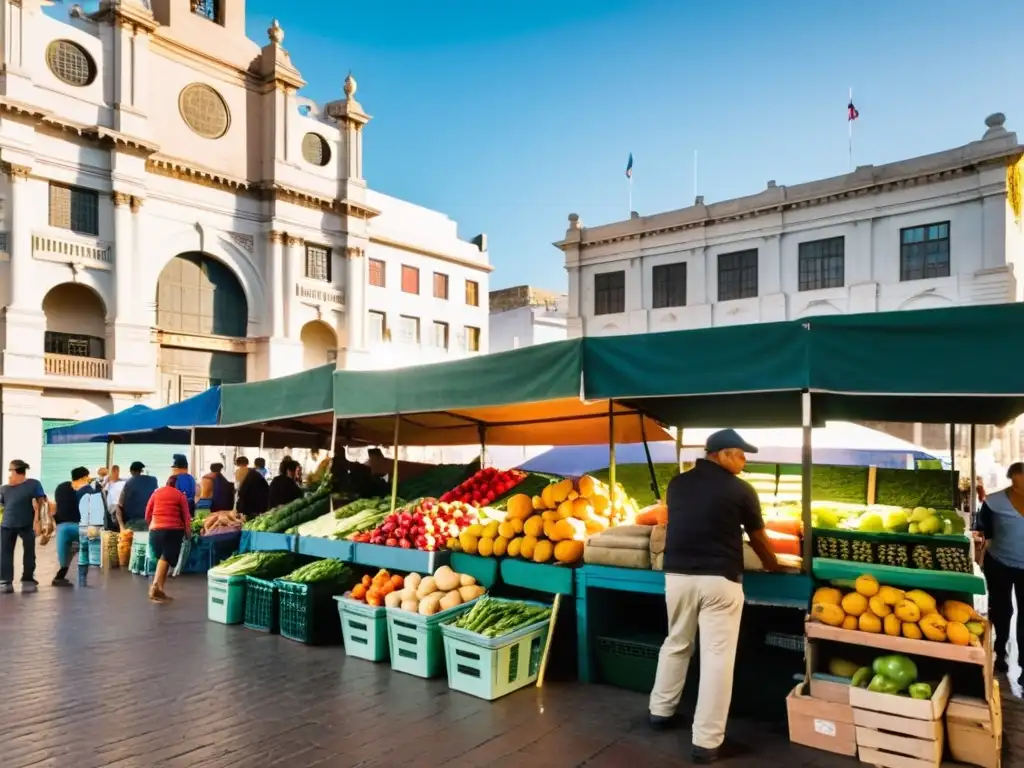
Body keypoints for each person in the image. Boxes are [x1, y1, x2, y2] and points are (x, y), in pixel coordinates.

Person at [648, 429, 781, 764]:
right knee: (717, 659)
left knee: (676, 641)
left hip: (677, 578)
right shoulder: (741, 490)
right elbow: (760, 539)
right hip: (720, 582)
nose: (744, 460)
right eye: (739, 454)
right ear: (719, 454)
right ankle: (706, 743)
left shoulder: (677, 485)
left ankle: (659, 712)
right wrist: (774, 566)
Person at [974, 462, 1024, 681]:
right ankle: (1000, 650)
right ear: (1011, 480)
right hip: (999, 563)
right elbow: (983, 528)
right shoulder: (994, 502)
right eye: (1017, 481)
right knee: (1003, 611)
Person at [0, 460, 47, 593]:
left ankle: (28, 577)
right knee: (5, 552)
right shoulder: (4, 489)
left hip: (27, 524)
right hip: (7, 524)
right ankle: (5, 579)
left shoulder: (33, 484)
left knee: (29, 551)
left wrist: (39, 520)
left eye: (11, 470)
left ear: (17, 471)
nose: (9, 474)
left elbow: (41, 501)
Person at [145, 476, 192, 603]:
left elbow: (147, 513)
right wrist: (188, 533)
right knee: (166, 558)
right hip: (174, 530)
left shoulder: (156, 493)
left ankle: (159, 590)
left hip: (156, 529)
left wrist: (151, 525)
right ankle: (155, 586)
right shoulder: (180, 495)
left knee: (163, 558)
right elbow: (186, 517)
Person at [50, 467, 93, 587]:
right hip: (77, 526)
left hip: (61, 526)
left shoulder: (61, 487)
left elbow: (56, 506)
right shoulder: (85, 490)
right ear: (84, 477)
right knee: (86, 545)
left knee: (65, 553)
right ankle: (82, 579)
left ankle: (60, 576)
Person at [76, 470, 105, 586]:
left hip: (83, 526)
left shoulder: (82, 494)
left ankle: (82, 580)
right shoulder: (99, 497)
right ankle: (102, 581)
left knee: (83, 552)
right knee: (98, 555)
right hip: (96, 526)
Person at [116, 461, 158, 533]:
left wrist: (121, 526)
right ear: (142, 470)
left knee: (117, 508)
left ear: (131, 471)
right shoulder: (153, 480)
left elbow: (120, 505)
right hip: (151, 522)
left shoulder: (129, 482)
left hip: (133, 523)